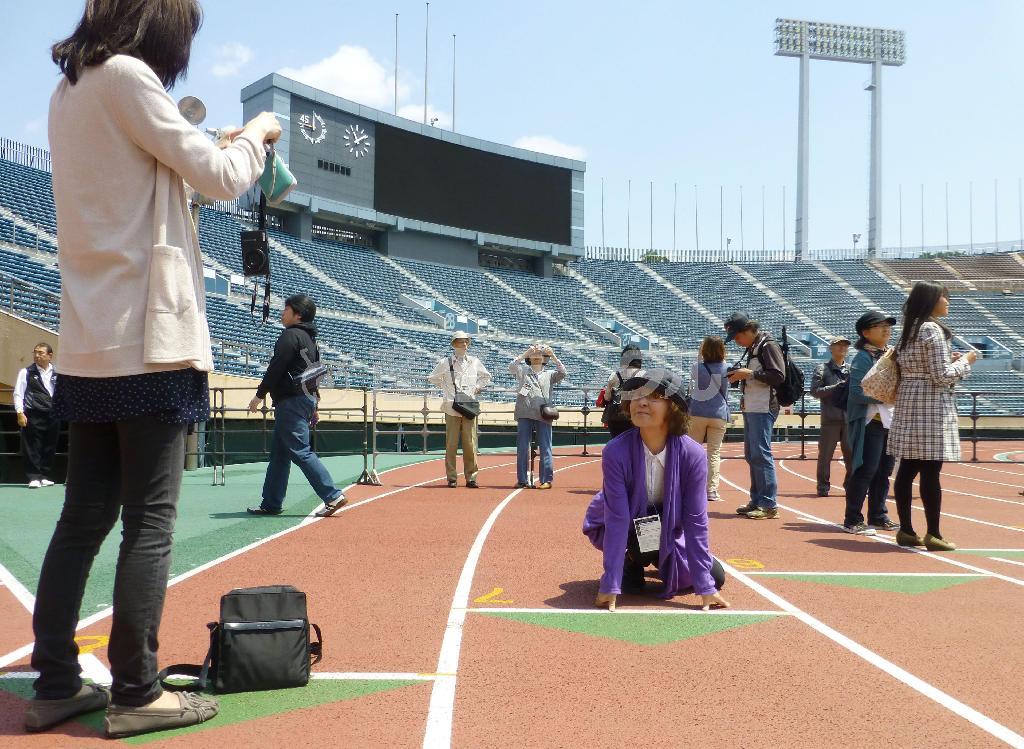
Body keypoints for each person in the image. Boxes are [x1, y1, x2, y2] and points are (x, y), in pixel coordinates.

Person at [28, 0, 282, 738]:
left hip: (88, 341)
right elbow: (222, 175)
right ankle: (135, 688)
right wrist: (259, 134)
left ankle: (53, 680)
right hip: (151, 339)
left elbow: (158, 181)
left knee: (82, 519)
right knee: (151, 520)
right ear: (160, 26)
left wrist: (207, 145)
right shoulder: (131, 77)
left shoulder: (70, 89)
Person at [582, 369, 730, 612]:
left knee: (716, 576)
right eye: (637, 395)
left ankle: (658, 557)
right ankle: (631, 560)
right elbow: (617, 517)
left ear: (673, 407)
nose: (641, 402)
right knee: (634, 567)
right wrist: (610, 581)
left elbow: (696, 520)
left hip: (668, 525)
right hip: (624, 523)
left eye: (654, 396)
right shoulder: (615, 451)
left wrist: (704, 585)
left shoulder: (692, 455)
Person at [888, 282, 975, 551]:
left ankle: (906, 530)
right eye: (943, 298)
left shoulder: (910, 329)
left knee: (907, 468)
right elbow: (941, 376)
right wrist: (966, 361)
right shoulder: (932, 329)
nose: (947, 302)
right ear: (931, 301)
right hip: (930, 406)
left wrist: (952, 359)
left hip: (908, 401)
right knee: (930, 470)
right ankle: (934, 534)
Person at [246, 295, 346, 518]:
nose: (282, 313)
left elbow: (277, 366)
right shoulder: (311, 340)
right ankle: (271, 503)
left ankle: (332, 495)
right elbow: (315, 372)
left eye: (286, 309)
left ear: (297, 314)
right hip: (304, 399)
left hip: (290, 401)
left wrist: (259, 395)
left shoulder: (290, 335)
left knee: (300, 451)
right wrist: (315, 403)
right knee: (280, 454)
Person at [724, 313, 785, 520]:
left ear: (749, 330)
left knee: (761, 454)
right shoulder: (754, 347)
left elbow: (778, 375)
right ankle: (758, 499)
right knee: (752, 454)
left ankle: (768, 504)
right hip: (752, 406)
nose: (737, 342)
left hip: (763, 406)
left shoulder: (768, 346)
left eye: (738, 337)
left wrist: (748, 374)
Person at [843, 312, 899, 535]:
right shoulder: (863, 358)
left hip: (888, 422)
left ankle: (878, 515)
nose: (886, 330)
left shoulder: (890, 354)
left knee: (884, 471)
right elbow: (856, 392)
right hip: (870, 422)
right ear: (865, 333)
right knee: (866, 470)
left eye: (888, 326)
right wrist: (886, 396)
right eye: (879, 326)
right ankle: (853, 519)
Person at [427, 331, 492, 488]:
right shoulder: (445, 362)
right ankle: (452, 478)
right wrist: (447, 388)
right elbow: (433, 377)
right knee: (451, 444)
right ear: (453, 344)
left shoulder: (475, 361)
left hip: (469, 406)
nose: (464, 344)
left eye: (466, 341)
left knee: (470, 443)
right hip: (451, 406)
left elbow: (486, 376)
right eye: (460, 341)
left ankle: (471, 478)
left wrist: (477, 387)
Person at [509, 344, 567, 489]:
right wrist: (524, 354)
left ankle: (546, 479)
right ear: (529, 357)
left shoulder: (550, 374)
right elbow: (511, 367)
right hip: (524, 413)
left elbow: (563, 373)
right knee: (522, 447)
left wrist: (553, 355)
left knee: (546, 447)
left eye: (539, 353)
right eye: (533, 353)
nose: (536, 355)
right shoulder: (522, 371)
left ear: (544, 358)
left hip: (543, 414)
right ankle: (522, 480)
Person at [687, 336, 730, 502]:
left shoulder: (697, 368)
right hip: (718, 414)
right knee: (714, 453)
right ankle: (711, 490)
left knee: (693, 451)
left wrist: (701, 353)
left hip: (697, 412)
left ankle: (691, 487)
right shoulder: (727, 368)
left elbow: (695, 370)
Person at [811, 336, 853, 496]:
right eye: (838, 345)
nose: (842, 348)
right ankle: (823, 487)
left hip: (849, 419)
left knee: (851, 456)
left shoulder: (852, 370)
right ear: (830, 348)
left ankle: (851, 486)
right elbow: (815, 391)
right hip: (830, 419)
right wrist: (837, 387)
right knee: (825, 456)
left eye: (845, 346)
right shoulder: (821, 368)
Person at [14, 343, 59, 488]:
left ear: (50, 355)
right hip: (33, 412)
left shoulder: (58, 372)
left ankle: (44, 475)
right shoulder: (26, 372)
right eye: (35, 352)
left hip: (53, 414)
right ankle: (34, 476)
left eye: (40, 353)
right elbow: (18, 393)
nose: (37, 355)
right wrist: (20, 412)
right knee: (32, 445)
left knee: (50, 444)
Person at [601, 344, 643, 438]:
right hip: (636, 415)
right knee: (636, 445)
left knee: (617, 445)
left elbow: (607, 398)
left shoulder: (614, 375)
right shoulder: (644, 375)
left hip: (617, 417)